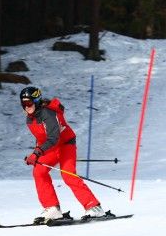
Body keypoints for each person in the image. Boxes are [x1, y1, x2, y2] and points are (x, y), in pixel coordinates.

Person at [19, 86, 106, 223]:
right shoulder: (30, 119)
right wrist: (35, 155)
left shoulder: (47, 114)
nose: (26, 107)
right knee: (39, 171)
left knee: (68, 174)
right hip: (51, 147)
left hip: (65, 144)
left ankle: (94, 207)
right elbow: (41, 139)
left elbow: (54, 137)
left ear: (36, 101)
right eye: (23, 104)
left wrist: (37, 153)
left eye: (29, 103)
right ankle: (52, 208)